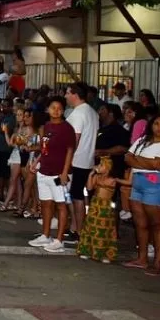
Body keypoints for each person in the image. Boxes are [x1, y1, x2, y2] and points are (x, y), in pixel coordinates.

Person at [124, 115, 160, 276]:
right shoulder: (142, 140)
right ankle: (142, 258)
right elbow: (127, 158)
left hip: (158, 184)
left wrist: (137, 160)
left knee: (158, 224)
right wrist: (147, 162)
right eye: (156, 124)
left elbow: (158, 164)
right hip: (138, 183)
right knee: (141, 224)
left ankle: (158, 264)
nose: (159, 127)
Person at [28, 96, 76, 253]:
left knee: (61, 205)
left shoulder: (67, 128)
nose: (56, 110)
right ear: (48, 109)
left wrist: (64, 172)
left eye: (59, 108)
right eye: (53, 107)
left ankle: (59, 239)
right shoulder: (47, 126)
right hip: (44, 171)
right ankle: (46, 234)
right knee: (46, 204)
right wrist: (37, 161)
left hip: (58, 174)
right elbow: (44, 148)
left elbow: (70, 151)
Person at [65, 82, 99, 242]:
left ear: (75, 94)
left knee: (76, 195)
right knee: (78, 195)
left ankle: (79, 230)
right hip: (87, 159)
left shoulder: (78, 114)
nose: (65, 96)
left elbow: (75, 139)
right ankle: (75, 227)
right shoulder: (92, 112)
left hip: (77, 160)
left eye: (67, 93)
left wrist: (67, 160)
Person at [77, 156, 118, 263]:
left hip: (106, 205)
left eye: (101, 165)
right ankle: (87, 251)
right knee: (90, 226)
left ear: (108, 167)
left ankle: (104, 254)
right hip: (95, 203)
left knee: (104, 229)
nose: (98, 167)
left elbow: (107, 184)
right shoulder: (96, 177)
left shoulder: (112, 180)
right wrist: (91, 175)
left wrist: (99, 175)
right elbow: (89, 187)